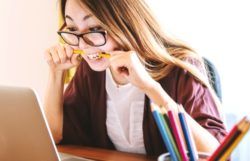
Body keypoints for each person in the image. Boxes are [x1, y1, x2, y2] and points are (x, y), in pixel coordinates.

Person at [43, 0, 227, 156]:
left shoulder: (181, 68)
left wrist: (150, 87)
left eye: (95, 28)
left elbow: (216, 154)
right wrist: (56, 73)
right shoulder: (91, 72)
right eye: (73, 28)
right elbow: (54, 135)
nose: (83, 45)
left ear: (125, 23)